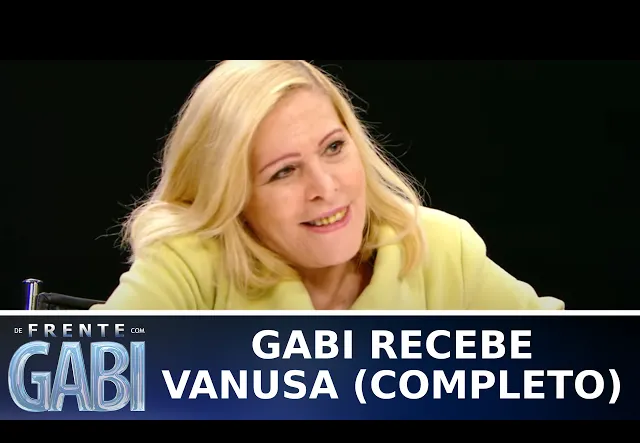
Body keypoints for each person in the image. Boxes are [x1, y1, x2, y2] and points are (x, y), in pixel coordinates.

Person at [92, 60, 564, 310]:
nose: (325, 186)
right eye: (283, 171)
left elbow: (570, 370)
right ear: (233, 196)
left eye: (334, 147)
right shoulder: (191, 262)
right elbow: (75, 388)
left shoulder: (439, 247)